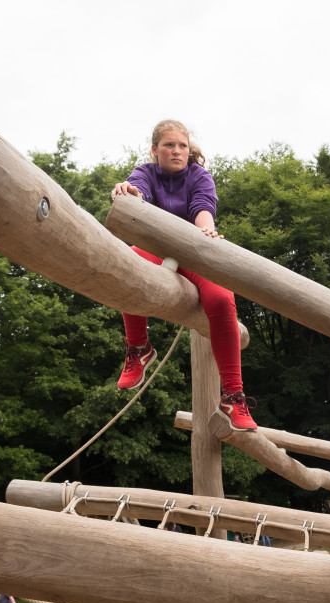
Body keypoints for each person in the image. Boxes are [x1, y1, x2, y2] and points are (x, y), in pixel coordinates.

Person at [111, 120, 257, 432]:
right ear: (155, 150)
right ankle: (139, 348)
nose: (177, 151)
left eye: (182, 146)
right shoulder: (145, 172)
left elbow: (203, 209)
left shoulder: (198, 176)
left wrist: (206, 229)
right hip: (155, 250)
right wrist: (129, 194)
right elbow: (140, 197)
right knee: (128, 260)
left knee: (221, 298)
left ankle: (233, 395)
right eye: (169, 145)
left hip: (194, 251)